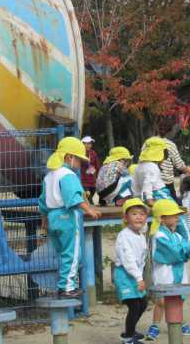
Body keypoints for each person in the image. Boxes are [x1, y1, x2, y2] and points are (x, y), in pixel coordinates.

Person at [38, 137, 101, 297]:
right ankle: (66, 287)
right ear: (69, 157)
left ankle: (63, 285)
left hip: (52, 217)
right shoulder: (67, 174)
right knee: (72, 253)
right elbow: (73, 197)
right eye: (78, 160)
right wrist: (89, 209)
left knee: (62, 253)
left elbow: (43, 201)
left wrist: (44, 220)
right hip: (66, 216)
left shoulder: (49, 176)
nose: (80, 164)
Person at [145, 199, 190, 341]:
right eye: (173, 215)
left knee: (179, 299)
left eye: (177, 215)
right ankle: (155, 325)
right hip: (164, 273)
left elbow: (185, 252)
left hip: (179, 272)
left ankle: (179, 321)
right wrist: (187, 247)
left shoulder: (177, 235)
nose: (177, 218)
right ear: (162, 218)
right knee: (162, 301)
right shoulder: (159, 235)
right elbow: (172, 253)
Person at [114, 198, 150, 344]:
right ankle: (128, 338)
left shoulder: (140, 234)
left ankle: (130, 330)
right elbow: (128, 260)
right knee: (134, 306)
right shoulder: (124, 236)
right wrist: (138, 278)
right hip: (125, 275)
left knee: (143, 303)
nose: (139, 217)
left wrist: (139, 276)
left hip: (135, 275)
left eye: (142, 214)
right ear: (126, 217)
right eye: (134, 214)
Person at [158, 122, 190, 205]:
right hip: (165, 182)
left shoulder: (148, 143)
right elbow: (180, 165)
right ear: (171, 131)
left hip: (152, 180)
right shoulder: (169, 145)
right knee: (173, 206)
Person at [132, 137, 172, 206]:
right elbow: (148, 183)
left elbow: (135, 184)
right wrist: (149, 199)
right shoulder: (152, 167)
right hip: (158, 194)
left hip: (142, 196)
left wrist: (137, 197)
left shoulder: (139, 166)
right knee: (173, 207)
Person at [80, 136, 101, 203]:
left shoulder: (93, 153)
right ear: (82, 144)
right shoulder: (79, 153)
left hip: (92, 180)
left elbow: (97, 165)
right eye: (87, 143)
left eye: (90, 144)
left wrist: (98, 176)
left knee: (94, 199)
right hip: (83, 180)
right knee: (88, 199)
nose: (89, 145)